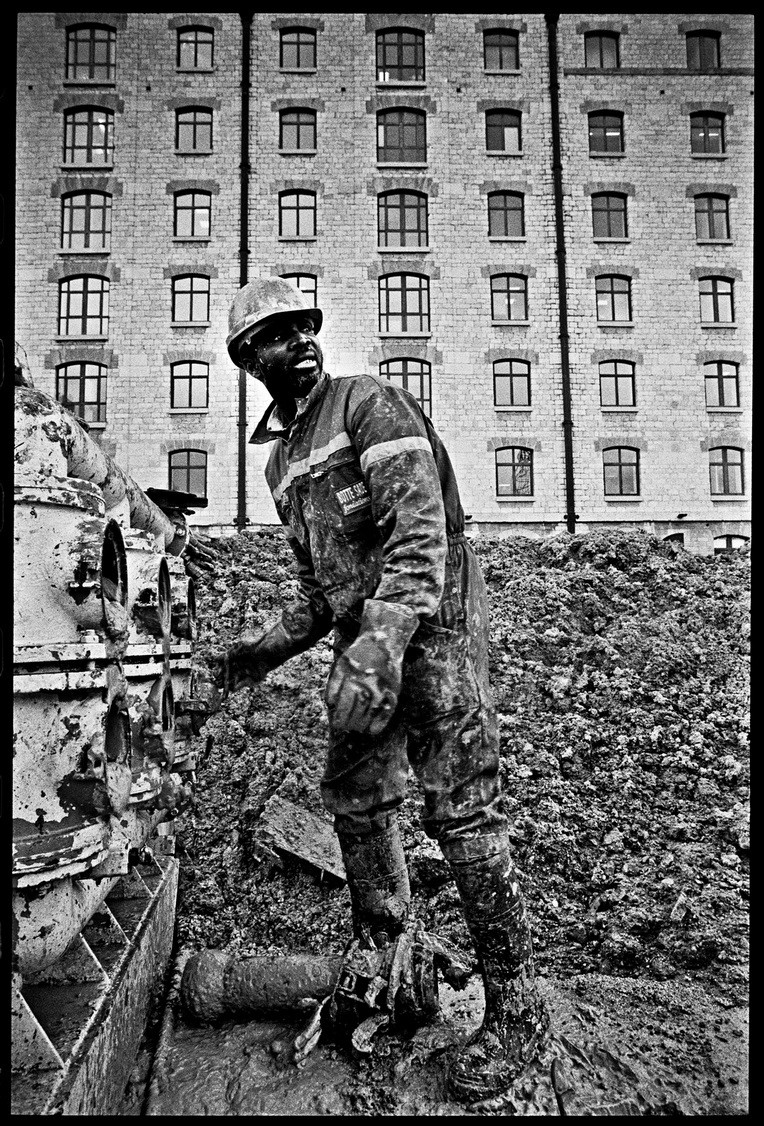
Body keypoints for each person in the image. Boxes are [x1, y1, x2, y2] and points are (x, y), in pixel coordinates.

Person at [218, 276, 548, 1101]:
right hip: (363, 632)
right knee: (355, 792)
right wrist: (254, 655)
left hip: (431, 616)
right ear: (248, 358)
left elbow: (419, 530)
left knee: (461, 804)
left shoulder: (368, 404)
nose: (299, 341)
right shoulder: (281, 463)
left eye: (305, 326)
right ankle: (386, 950)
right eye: (277, 334)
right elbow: (320, 589)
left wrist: (383, 643)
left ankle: (518, 1006)